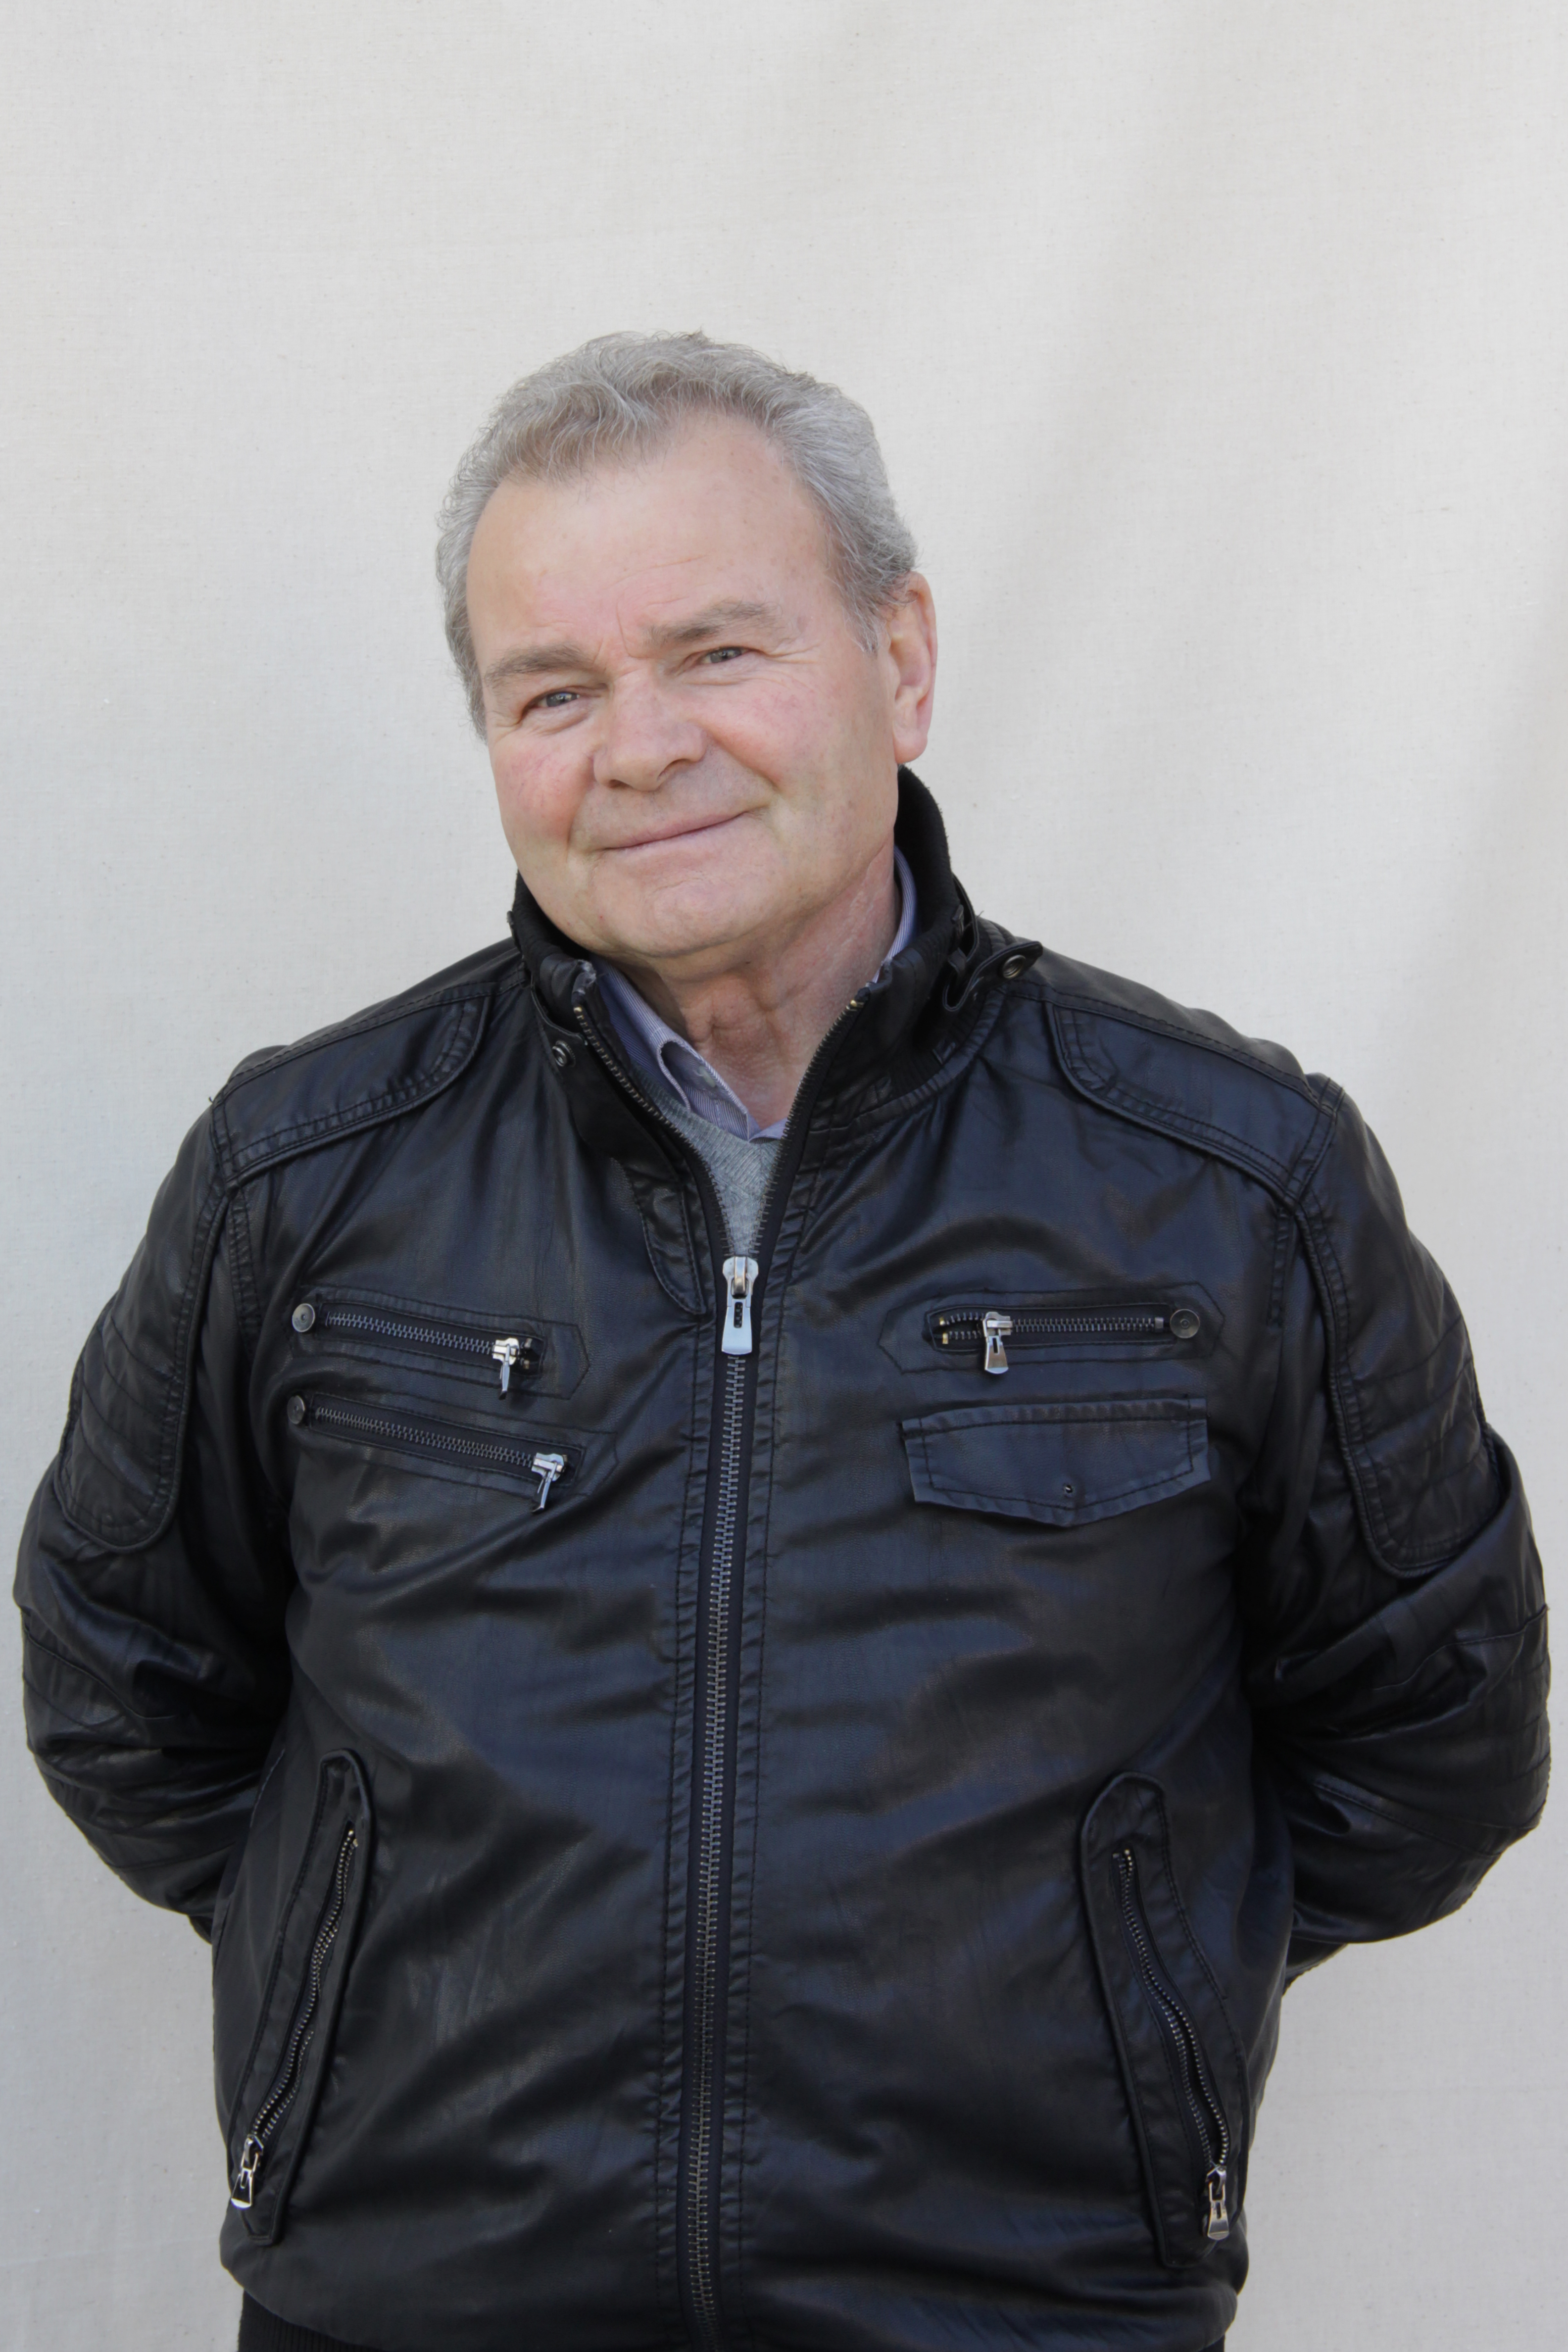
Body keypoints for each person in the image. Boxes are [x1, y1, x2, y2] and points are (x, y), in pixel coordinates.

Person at [14, 332, 1548, 2352]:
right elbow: (126, 1681)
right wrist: (361, 1942)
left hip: (1021, 2316)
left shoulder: (1232, 1179)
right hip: (416, 2307)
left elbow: (1432, 1736)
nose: (640, 747)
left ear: (900, 661)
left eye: (718, 653)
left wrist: (1120, 1991)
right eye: (553, 691)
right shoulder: (301, 1173)